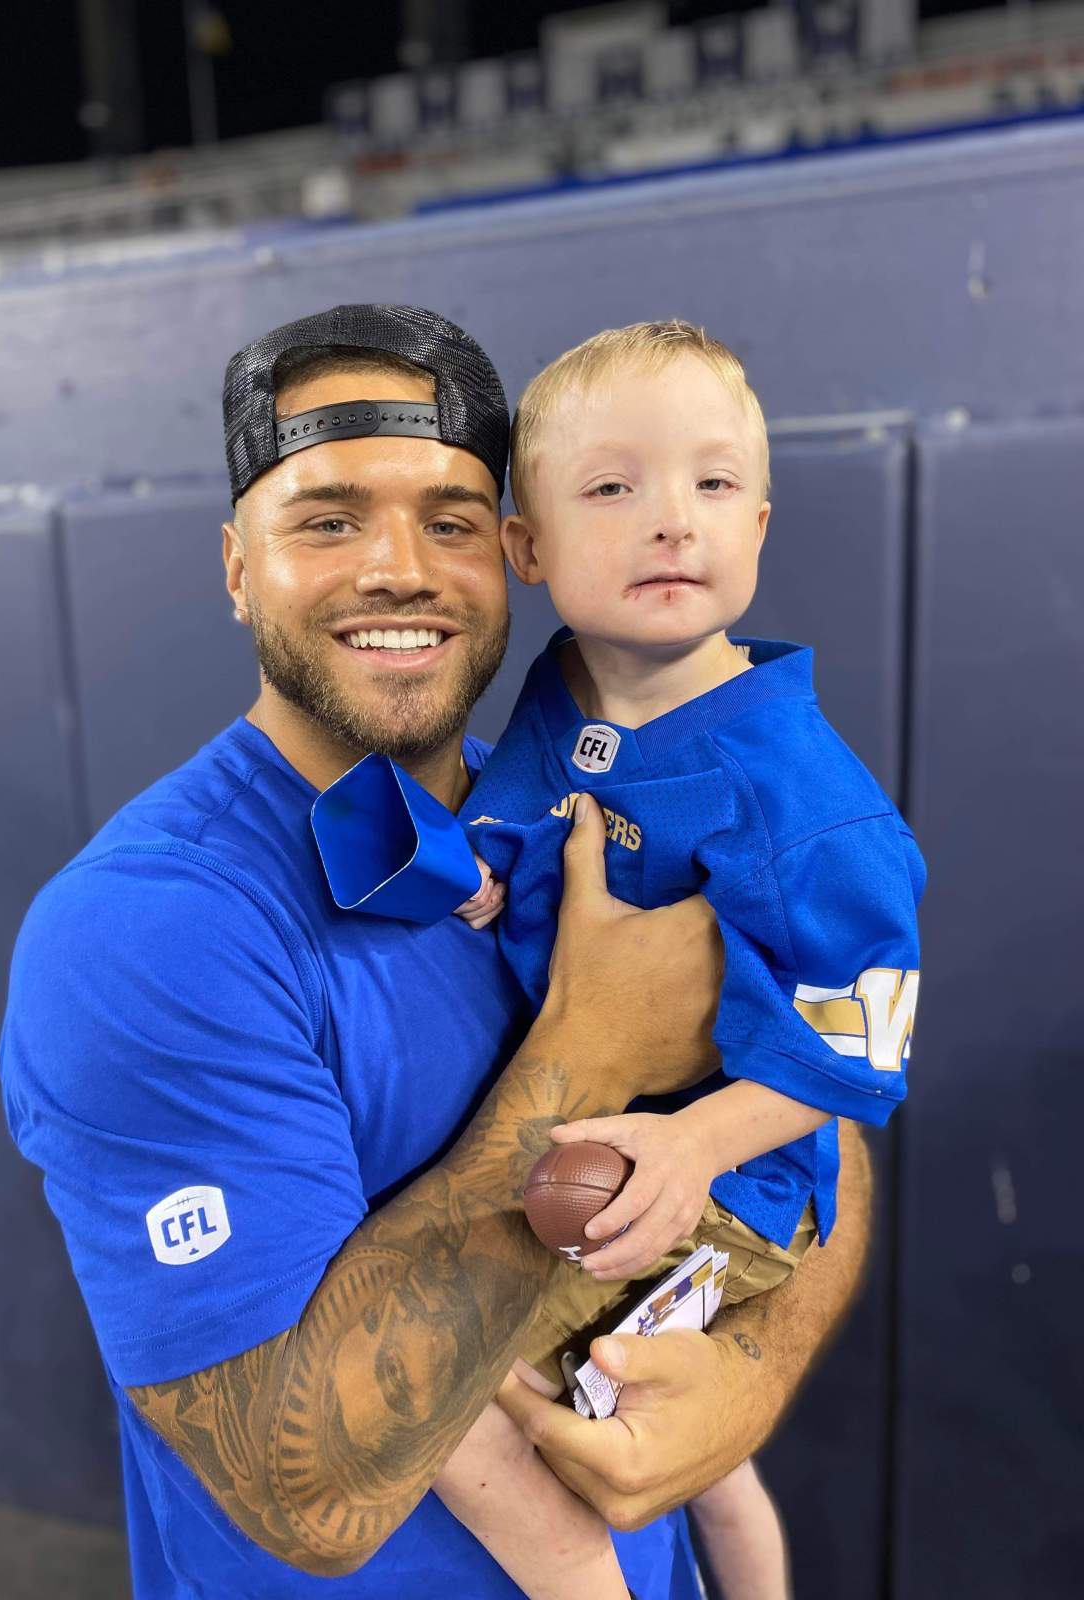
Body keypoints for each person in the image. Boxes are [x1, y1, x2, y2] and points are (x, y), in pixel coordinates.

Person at [0, 304, 873, 1599]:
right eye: (328, 518)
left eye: (450, 520)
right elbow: (310, 1489)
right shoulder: (146, 934)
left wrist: (741, 1385)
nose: (398, 567)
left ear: (516, 553)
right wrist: (593, 1046)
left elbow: (825, 1141)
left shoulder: (600, 804)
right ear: (238, 564)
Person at [428, 319, 923, 1600]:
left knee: (469, 1376)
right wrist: (487, 871)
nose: (671, 521)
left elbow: (853, 1055)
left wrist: (700, 1144)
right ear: (526, 548)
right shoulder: (560, 688)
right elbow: (525, 807)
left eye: (712, 484)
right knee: (718, 1480)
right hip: (604, 1133)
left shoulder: (812, 805)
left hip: (731, 1187)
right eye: (613, 487)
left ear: (759, 523)